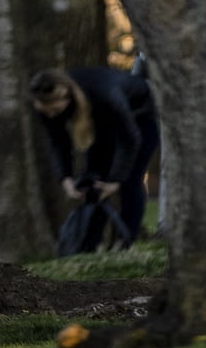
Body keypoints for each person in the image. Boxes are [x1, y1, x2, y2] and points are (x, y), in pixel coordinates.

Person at [28, 66, 159, 248]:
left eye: (55, 111)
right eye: (46, 112)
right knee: (94, 179)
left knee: (130, 179)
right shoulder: (48, 107)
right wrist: (65, 177)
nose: (52, 116)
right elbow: (58, 143)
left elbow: (130, 138)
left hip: (142, 118)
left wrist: (116, 180)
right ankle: (88, 244)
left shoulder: (104, 94)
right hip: (103, 124)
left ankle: (127, 241)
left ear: (66, 96)